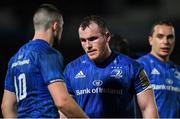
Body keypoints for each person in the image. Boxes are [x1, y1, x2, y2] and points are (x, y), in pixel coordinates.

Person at [1, 4, 87, 118]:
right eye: (62, 27)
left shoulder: (15, 58)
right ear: (55, 26)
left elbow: (6, 106)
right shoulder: (47, 53)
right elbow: (62, 101)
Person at [63, 15, 159, 118]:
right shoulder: (71, 69)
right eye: (83, 40)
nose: (88, 46)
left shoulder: (132, 67)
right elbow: (65, 110)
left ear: (107, 36)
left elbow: (148, 108)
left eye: (93, 39)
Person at [137, 20, 180, 118]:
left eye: (170, 37)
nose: (165, 42)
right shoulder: (139, 67)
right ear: (150, 40)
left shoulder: (177, 71)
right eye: (160, 37)